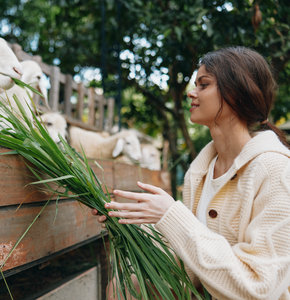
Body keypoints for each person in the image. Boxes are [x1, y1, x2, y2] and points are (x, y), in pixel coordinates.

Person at [93, 46, 290, 299]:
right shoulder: (200, 172)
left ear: (236, 93)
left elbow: (259, 287)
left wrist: (171, 214)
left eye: (203, 84)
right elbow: (192, 254)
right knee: (124, 287)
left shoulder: (277, 171)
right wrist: (126, 220)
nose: (190, 93)